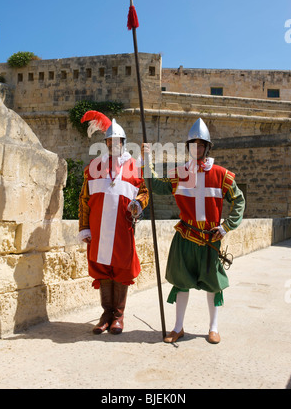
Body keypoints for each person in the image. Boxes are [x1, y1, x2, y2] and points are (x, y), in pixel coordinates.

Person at [142, 118, 245, 344]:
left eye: (200, 145)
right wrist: (147, 160)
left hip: (210, 239)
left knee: (213, 285)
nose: (196, 149)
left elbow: (239, 200)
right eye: (192, 145)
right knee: (181, 282)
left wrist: (226, 226)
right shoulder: (179, 173)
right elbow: (156, 187)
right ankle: (178, 327)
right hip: (186, 237)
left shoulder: (221, 175)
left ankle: (213, 327)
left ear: (207, 147)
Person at [79, 112, 149, 335]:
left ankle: (118, 315)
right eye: (110, 141)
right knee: (102, 270)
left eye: (117, 141)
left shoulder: (134, 167)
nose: (114, 144)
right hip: (99, 229)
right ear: (106, 143)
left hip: (122, 228)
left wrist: (138, 203)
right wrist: (84, 228)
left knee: (120, 269)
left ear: (123, 143)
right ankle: (106, 314)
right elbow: (84, 199)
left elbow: (144, 192)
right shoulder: (94, 167)